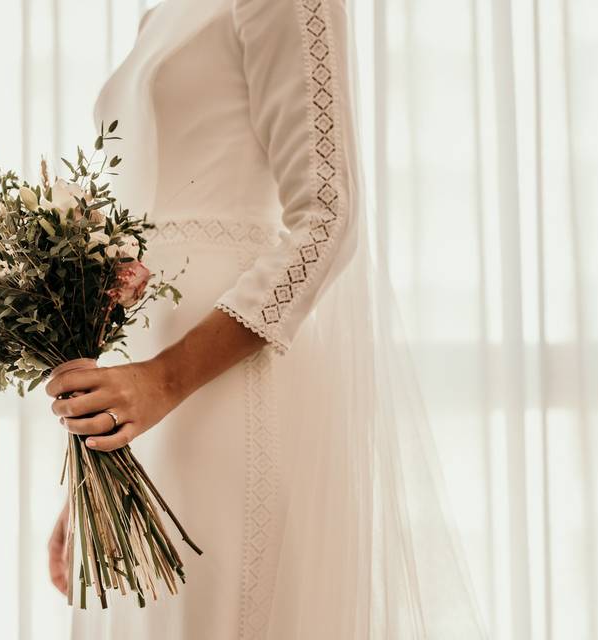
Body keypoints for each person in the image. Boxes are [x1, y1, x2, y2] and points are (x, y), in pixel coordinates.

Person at [45, 0, 487, 637]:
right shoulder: (156, 15)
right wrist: (91, 470)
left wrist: (164, 379)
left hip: (224, 375)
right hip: (142, 390)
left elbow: (328, 219)